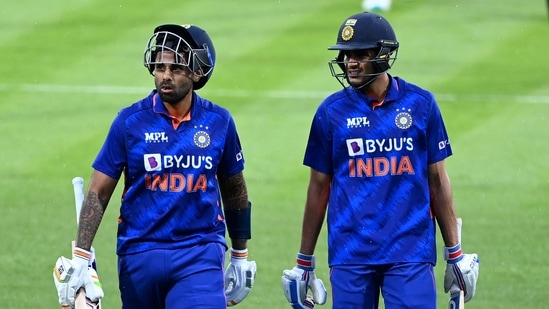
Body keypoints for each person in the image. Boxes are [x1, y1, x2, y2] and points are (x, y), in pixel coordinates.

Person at [282, 12, 479, 309]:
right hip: (350, 253)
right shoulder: (330, 112)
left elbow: (438, 182)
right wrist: (304, 260)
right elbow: (318, 189)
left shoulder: (421, 105)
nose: (350, 62)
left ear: (384, 55)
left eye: (360, 54)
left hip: (410, 252)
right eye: (346, 55)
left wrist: (455, 254)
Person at [53, 24, 256, 309]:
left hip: (199, 251)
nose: (166, 76)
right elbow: (98, 193)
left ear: (198, 73)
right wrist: (80, 256)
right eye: (160, 66)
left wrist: (240, 253)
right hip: (139, 253)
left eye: (176, 68)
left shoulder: (219, 122)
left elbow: (235, 191)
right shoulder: (129, 122)